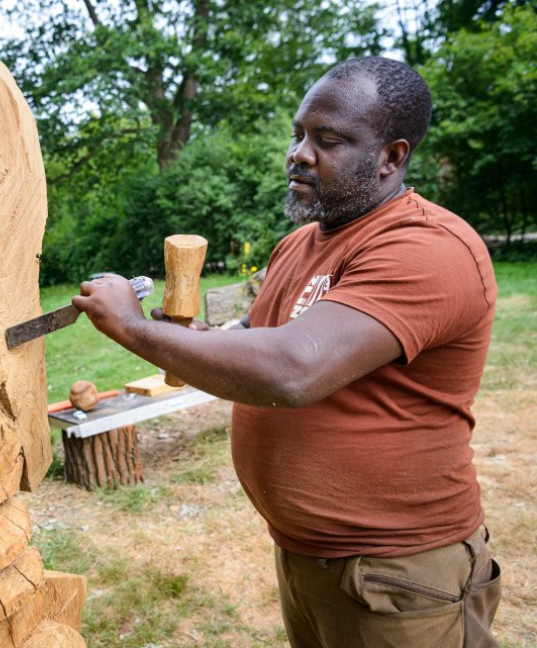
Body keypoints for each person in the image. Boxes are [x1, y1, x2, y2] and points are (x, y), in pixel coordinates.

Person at [72, 57, 502, 648]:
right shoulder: (299, 244)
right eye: (299, 134)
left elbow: (294, 369)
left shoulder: (428, 248)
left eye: (327, 140)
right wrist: (187, 337)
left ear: (391, 156)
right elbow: (251, 339)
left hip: (399, 573)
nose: (299, 153)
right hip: (309, 558)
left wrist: (131, 327)